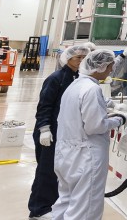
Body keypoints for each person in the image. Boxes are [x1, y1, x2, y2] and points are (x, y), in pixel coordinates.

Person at [51, 49, 127, 220]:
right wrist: (120, 119)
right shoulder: (91, 89)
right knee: (85, 210)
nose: (111, 70)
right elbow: (95, 126)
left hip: (65, 154)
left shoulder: (76, 85)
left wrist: (110, 105)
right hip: (85, 157)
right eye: (110, 67)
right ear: (100, 67)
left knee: (65, 201)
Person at [28, 43, 94, 220]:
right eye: (77, 57)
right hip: (50, 132)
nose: (81, 60)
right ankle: (38, 209)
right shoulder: (56, 78)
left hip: (66, 133)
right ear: (68, 58)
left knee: (60, 171)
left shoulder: (78, 78)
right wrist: (44, 129)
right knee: (46, 170)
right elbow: (44, 106)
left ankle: (53, 206)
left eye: (83, 57)